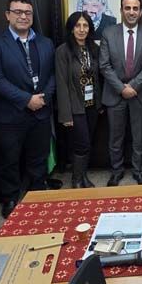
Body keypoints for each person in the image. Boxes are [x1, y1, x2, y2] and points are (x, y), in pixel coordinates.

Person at [0, 0, 56, 217]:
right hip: (9, 115)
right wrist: (26, 100)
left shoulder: (46, 43)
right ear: (8, 15)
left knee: (38, 157)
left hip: (41, 112)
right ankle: (10, 198)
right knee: (9, 160)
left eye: (27, 13)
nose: (23, 16)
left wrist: (43, 98)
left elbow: (53, 75)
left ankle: (37, 192)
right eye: (18, 12)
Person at [99, 0, 142, 186]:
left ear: (140, 12)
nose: (131, 12)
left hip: (140, 94)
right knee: (115, 138)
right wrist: (121, 88)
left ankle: (138, 172)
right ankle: (116, 172)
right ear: (121, 10)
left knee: (139, 138)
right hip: (114, 94)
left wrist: (133, 86)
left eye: (135, 8)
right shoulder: (108, 33)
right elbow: (104, 65)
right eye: (127, 8)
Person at [55, 11, 102, 188]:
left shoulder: (93, 49)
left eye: (85, 25)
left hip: (92, 105)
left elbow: (97, 78)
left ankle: (83, 177)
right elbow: (61, 83)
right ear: (71, 28)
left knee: (87, 143)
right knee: (81, 144)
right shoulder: (63, 51)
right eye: (78, 26)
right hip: (74, 106)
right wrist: (65, 115)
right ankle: (76, 180)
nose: (82, 29)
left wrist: (99, 104)